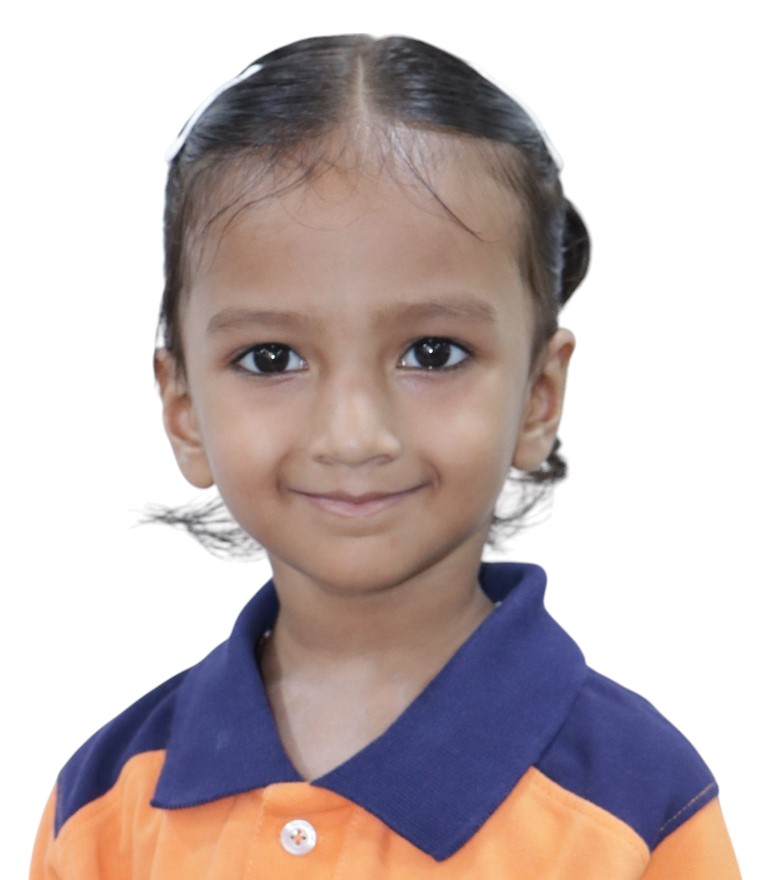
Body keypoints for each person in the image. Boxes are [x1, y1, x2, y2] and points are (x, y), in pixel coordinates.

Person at [30, 34, 741, 878]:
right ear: (183, 409)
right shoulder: (103, 807)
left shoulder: (638, 805)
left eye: (433, 353)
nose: (353, 434)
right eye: (271, 358)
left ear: (539, 397)